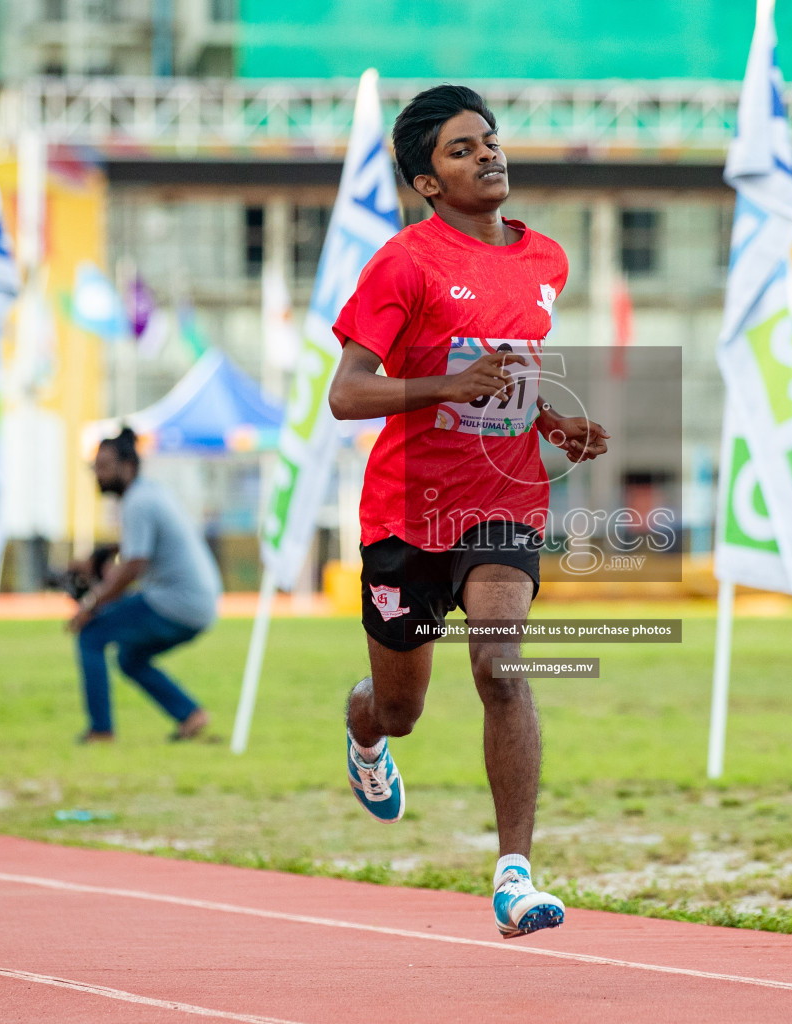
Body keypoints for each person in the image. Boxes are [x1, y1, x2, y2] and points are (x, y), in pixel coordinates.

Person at [327, 84, 609, 938]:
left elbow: (509, 375)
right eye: (461, 149)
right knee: (400, 708)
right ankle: (364, 730)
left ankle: (515, 876)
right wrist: (449, 384)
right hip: (407, 511)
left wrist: (553, 419)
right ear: (427, 182)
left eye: (489, 140)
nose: (487, 154)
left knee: (500, 667)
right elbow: (346, 395)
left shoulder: (546, 261)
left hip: (504, 498)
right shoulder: (403, 264)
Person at [68, 427, 221, 744]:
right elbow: (132, 550)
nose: (98, 474)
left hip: (177, 601)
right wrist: (102, 557)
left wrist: (91, 605)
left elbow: (133, 567)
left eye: (105, 466)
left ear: (128, 466)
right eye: (95, 467)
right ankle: (190, 715)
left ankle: (100, 730)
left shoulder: (137, 502)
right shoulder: (151, 492)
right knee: (129, 658)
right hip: (200, 604)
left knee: (90, 634)